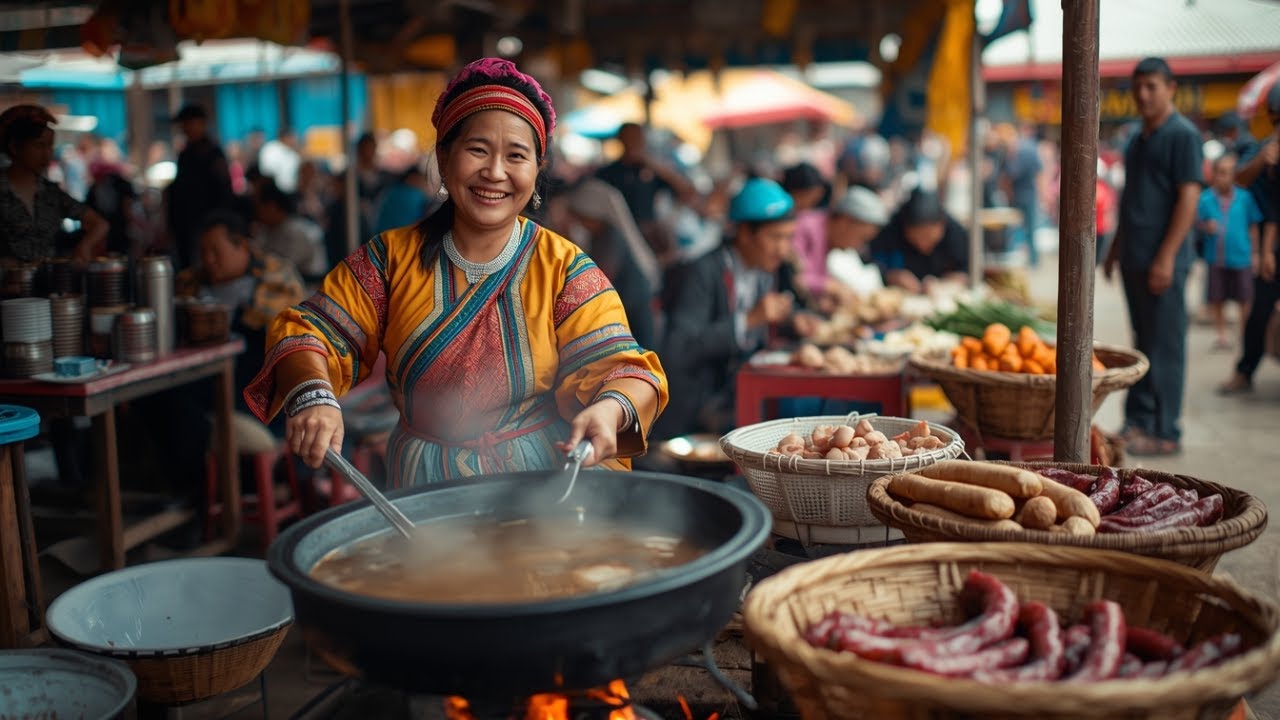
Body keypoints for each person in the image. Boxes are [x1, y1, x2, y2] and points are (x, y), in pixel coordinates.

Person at [243, 58, 668, 482]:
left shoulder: (565, 269)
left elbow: (625, 369)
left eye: (516, 155)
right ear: (444, 159)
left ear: (537, 172)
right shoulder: (390, 259)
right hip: (423, 488)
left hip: (542, 489)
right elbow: (309, 332)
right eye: (477, 149)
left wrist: (610, 409)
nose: (495, 172)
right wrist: (314, 396)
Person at [656, 177, 816, 440]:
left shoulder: (766, 270)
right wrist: (750, 319)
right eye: (775, 237)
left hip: (742, 399)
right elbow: (678, 350)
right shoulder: (702, 272)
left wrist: (792, 320)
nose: (783, 249)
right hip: (698, 414)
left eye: (788, 238)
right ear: (743, 233)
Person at [1103, 57, 1203, 457]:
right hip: (1135, 259)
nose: (1143, 94)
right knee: (1143, 345)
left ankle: (1167, 430)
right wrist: (1114, 247)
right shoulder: (1136, 139)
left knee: (1166, 347)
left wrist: (1166, 257)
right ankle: (1139, 420)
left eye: (1152, 86)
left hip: (1165, 262)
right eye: (1138, 87)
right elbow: (1132, 199)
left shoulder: (1183, 135)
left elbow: (1189, 197)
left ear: (1170, 88)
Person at [1219, 82, 1280, 395]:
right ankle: (1245, 370)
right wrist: (1266, 251)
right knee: (1259, 311)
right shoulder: (1266, 149)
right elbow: (1244, 187)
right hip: (1274, 246)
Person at [563, 178, 662, 351]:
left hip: (631, 311)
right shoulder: (598, 236)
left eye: (583, 217)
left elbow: (604, 275)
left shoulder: (611, 236)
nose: (581, 223)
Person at [0, 105, 108, 263]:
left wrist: (84, 246)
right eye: (39, 145)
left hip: (48, 282)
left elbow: (100, 224)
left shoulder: (51, 193)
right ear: (15, 147)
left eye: (50, 146)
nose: (47, 154)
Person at [595, 122, 697, 263]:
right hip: (618, 238)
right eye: (629, 138)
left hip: (650, 237)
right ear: (620, 140)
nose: (634, 143)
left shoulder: (651, 169)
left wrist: (651, 163)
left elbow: (687, 191)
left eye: (637, 138)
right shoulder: (608, 173)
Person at [1195, 154, 1262, 350]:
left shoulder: (1244, 197)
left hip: (1241, 255)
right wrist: (1204, 226)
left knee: (1245, 298)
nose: (1225, 177)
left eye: (1229, 173)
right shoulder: (1205, 199)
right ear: (1214, 174)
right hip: (1215, 256)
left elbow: (1253, 225)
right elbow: (1196, 221)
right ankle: (1222, 335)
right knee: (1217, 298)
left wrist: (1256, 253)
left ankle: (1244, 333)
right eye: (1221, 173)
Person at [792, 185, 889, 307]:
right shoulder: (804, 227)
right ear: (845, 222)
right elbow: (794, 279)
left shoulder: (828, 241)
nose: (859, 246)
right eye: (862, 238)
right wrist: (831, 287)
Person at [166, 104, 235, 270]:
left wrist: (217, 223)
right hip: (186, 224)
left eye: (188, 123)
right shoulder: (186, 153)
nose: (184, 128)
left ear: (201, 123)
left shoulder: (212, 153)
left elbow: (224, 191)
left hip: (206, 223)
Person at [870, 189, 970, 292]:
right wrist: (890, 275)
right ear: (906, 228)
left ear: (942, 225)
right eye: (917, 238)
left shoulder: (956, 234)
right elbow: (872, 263)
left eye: (928, 236)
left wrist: (946, 282)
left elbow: (969, 269)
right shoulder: (890, 231)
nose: (923, 243)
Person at [253, 180, 328, 281]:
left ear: (272, 206)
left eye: (259, 207)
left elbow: (285, 267)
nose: (257, 212)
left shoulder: (297, 232)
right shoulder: (268, 230)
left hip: (307, 288)